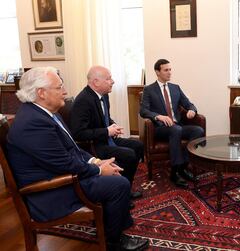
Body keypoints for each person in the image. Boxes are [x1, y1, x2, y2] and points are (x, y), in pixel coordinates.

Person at [7, 67, 149, 251]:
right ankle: (114, 243)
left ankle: (111, 229)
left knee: (113, 174)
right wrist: (99, 170)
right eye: (59, 87)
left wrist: (96, 162)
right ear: (41, 93)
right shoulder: (33, 123)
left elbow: (71, 148)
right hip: (50, 192)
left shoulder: (44, 113)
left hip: (60, 177)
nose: (65, 92)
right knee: (118, 184)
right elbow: (63, 162)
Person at [70, 66, 144, 203]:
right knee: (129, 154)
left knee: (138, 145)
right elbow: (78, 133)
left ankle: (125, 187)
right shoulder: (83, 100)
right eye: (108, 78)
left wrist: (113, 125)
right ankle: (121, 191)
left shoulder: (104, 95)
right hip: (94, 145)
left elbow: (105, 118)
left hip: (106, 139)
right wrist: (106, 131)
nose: (113, 81)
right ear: (96, 82)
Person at [140, 59, 204, 188]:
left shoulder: (175, 88)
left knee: (198, 130)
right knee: (176, 130)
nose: (169, 73)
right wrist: (158, 116)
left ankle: (184, 166)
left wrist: (192, 109)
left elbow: (188, 103)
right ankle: (174, 173)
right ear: (157, 72)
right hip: (160, 128)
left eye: (170, 69)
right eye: (166, 70)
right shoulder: (149, 90)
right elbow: (143, 110)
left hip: (177, 125)